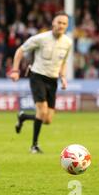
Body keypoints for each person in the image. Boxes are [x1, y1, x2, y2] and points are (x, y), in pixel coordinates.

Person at [9, 12, 72, 154]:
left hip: (53, 79)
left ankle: (23, 116)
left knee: (48, 119)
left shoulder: (68, 42)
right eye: (59, 22)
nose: (61, 25)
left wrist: (63, 77)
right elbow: (20, 50)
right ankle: (34, 146)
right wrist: (15, 70)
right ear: (53, 23)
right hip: (38, 76)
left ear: (67, 26)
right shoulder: (41, 38)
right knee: (42, 111)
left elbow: (64, 61)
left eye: (64, 23)